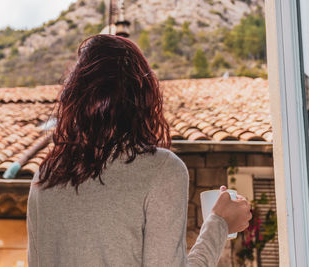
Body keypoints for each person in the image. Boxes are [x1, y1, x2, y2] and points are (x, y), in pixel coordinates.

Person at [27, 34, 252, 267]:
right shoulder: (161, 170)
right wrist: (219, 224)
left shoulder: (44, 177)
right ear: (144, 97)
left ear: (75, 96)